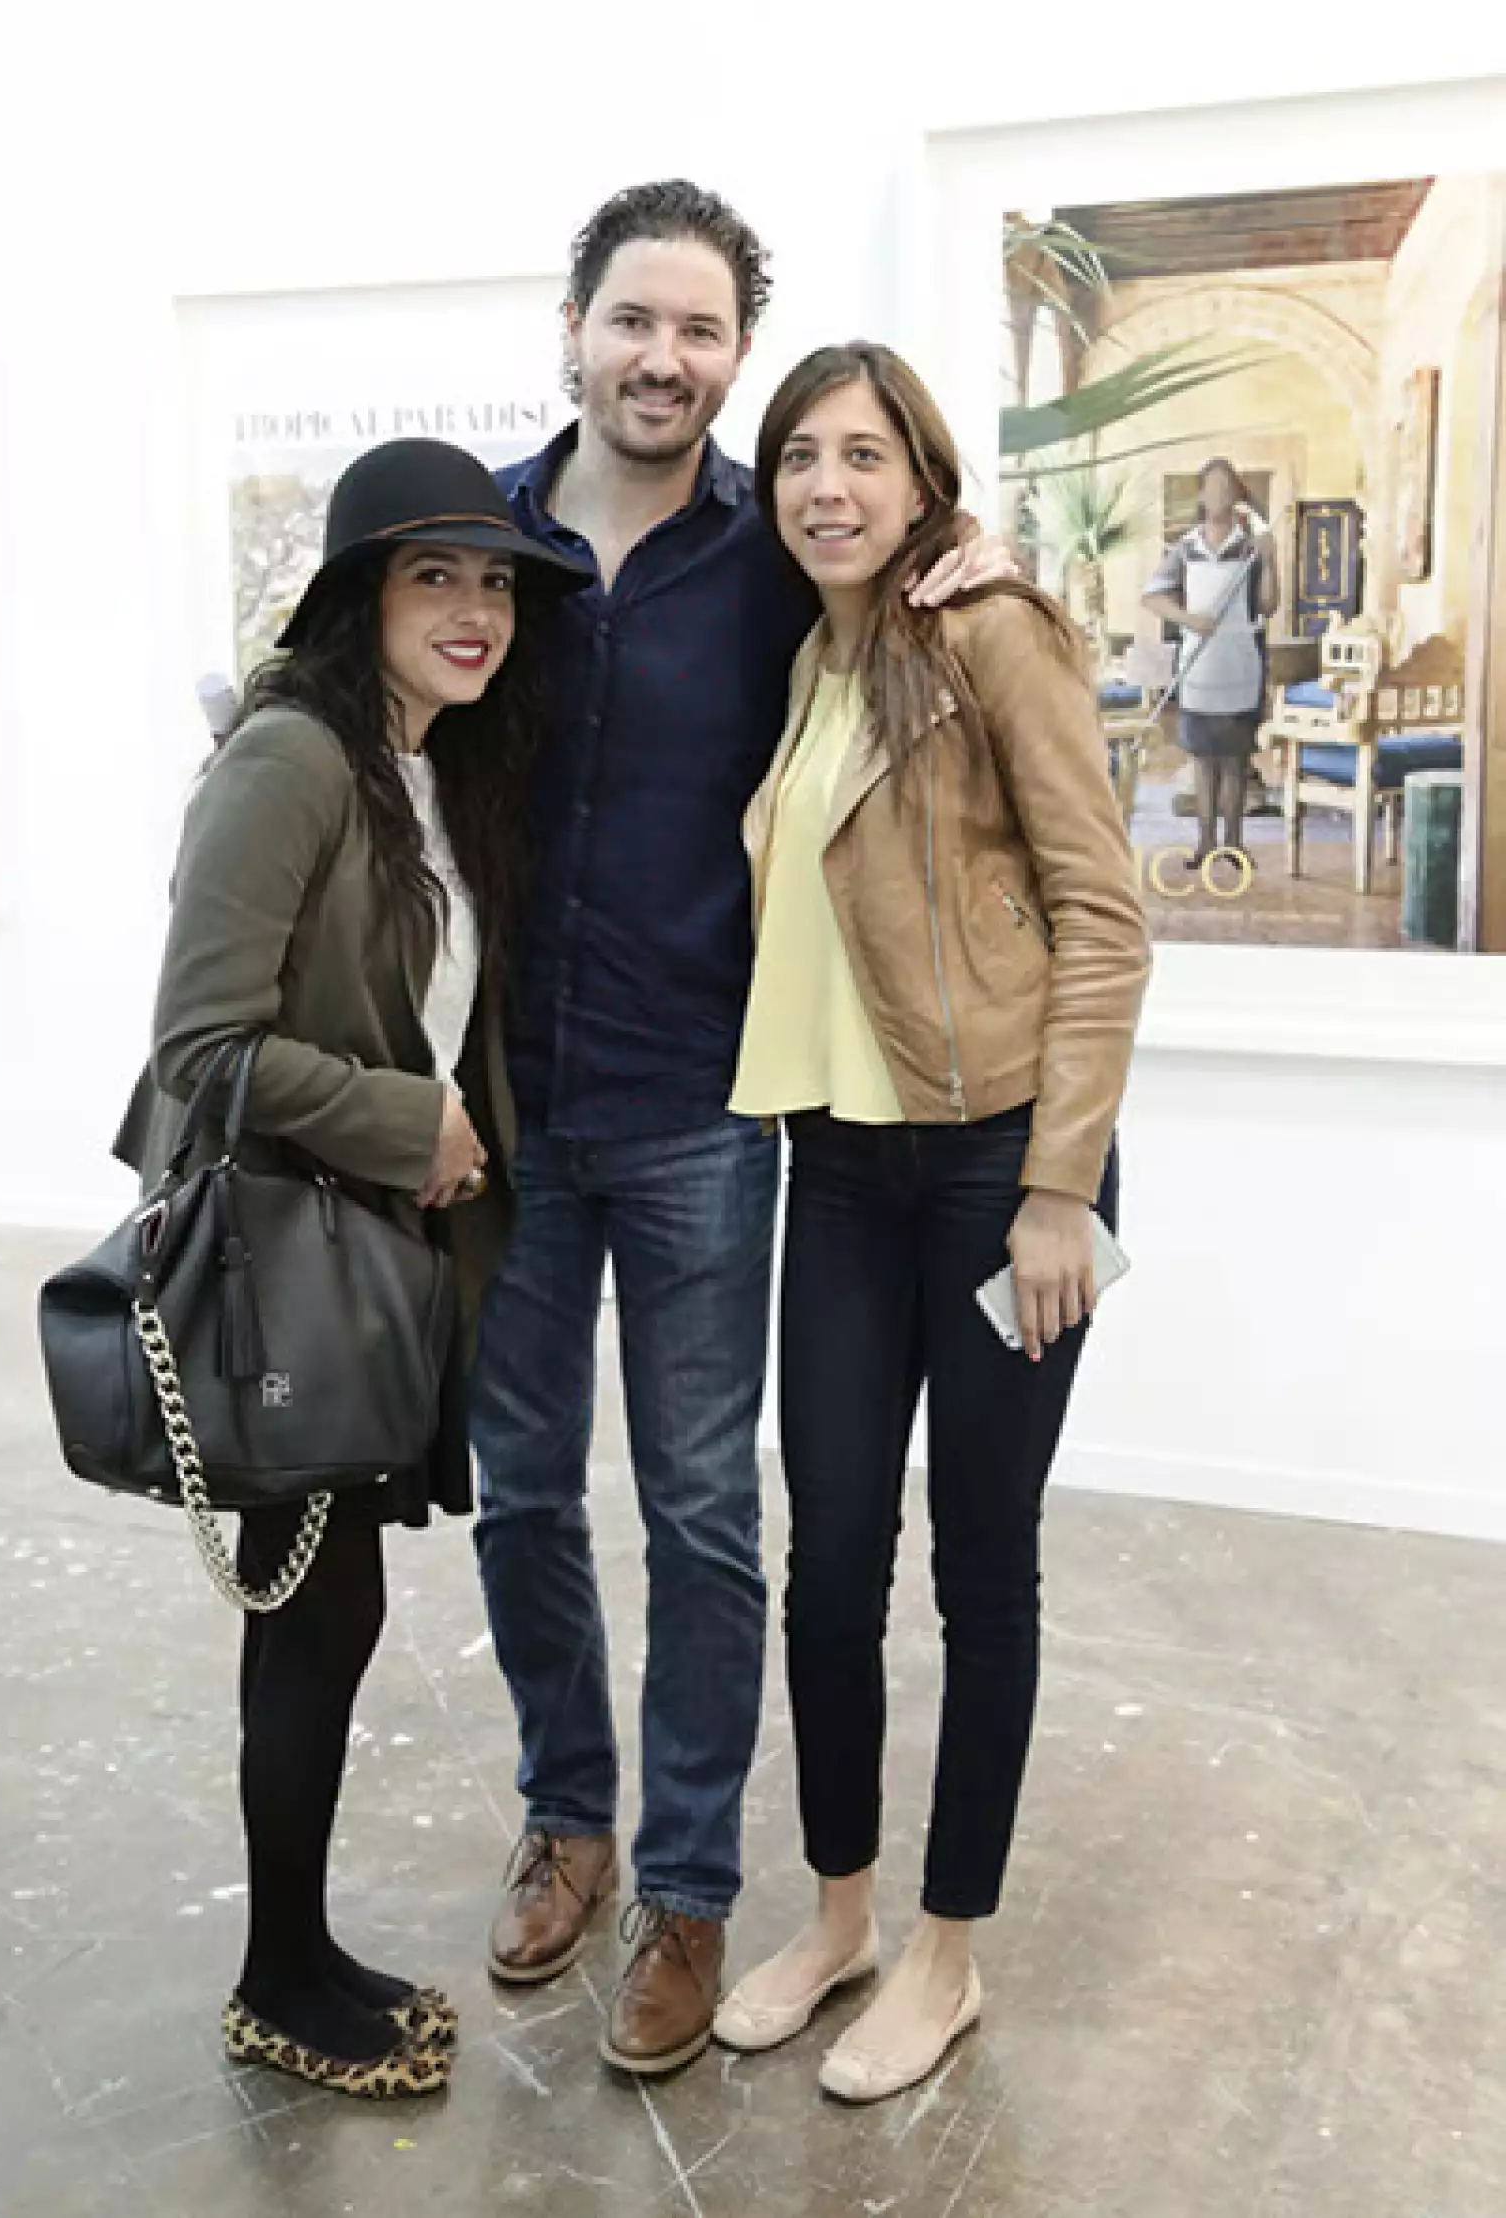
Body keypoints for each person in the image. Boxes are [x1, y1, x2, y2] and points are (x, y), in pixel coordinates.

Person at [469, 181, 1015, 2078]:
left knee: (706, 1510)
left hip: (706, 1107)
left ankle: (687, 1889)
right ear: (573, 324)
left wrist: (974, 555)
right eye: (634, 318)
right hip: (511, 1116)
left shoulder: (774, 547)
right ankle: (569, 1814)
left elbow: (903, 571)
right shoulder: (490, 541)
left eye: (701, 330)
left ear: (731, 352)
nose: (663, 356)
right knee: (527, 1490)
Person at [112, 439, 588, 2097]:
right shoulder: (297, 756)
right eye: (432, 576)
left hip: (374, 1256)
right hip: (290, 1257)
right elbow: (199, 1043)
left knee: (334, 1604)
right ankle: (276, 1974)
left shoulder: (422, 762)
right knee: (313, 1612)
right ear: (356, 594)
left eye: (496, 582)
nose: (474, 611)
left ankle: (297, 1950)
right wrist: (413, 1123)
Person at [713, 342, 1150, 2104]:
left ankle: (948, 1951)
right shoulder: (817, 659)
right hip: (843, 1166)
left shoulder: (988, 635)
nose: (829, 484)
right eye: (800, 456)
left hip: (996, 1177)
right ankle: (838, 1915)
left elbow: (1105, 915)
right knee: (829, 1565)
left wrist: (1060, 1185)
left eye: (866, 455)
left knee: (985, 1564)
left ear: (924, 481)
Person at [1142, 457, 1280, 867]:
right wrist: (1189, 620)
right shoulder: (1186, 549)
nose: (1219, 494)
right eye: (1212, 487)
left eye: (1227, 486)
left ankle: (1233, 843)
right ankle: (1204, 842)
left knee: (1235, 760)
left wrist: (1271, 561)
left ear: (1237, 494)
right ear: (1201, 495)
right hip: (1199, 666)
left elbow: (1269, 606)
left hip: (1239, 663)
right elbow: (1152, 597)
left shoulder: (1251, 548)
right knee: (1203, 760)